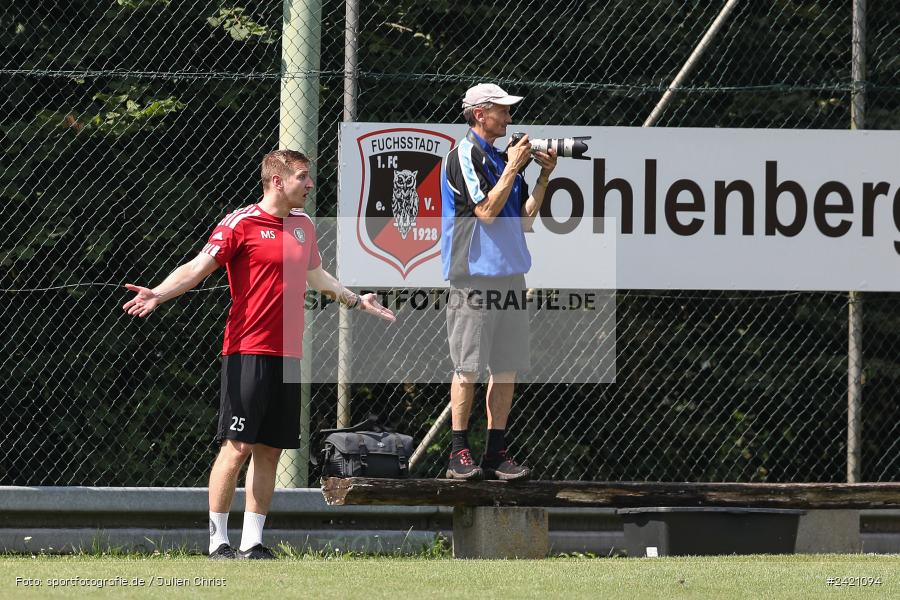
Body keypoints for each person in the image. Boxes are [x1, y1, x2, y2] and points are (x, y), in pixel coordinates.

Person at [122, 150, 395, 559]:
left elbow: (316, 275)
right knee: (238, 445)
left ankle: (253, 542)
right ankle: (218, 541)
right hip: (247, 349)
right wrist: (159, 293)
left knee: (270, 449)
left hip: (289, 354)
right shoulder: (240, 222)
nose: (309, 184)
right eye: (303, 177)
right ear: (277, 181)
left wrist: (357, 300)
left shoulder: (303, 226)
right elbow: (198, 266)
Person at [439, 83, 557, 481]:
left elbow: (523, 218)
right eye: (501, 110)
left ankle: (495, 453)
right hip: (473, 277)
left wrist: (542, 176)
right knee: (467, 368)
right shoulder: (465, 154)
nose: (508, 117)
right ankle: (458, 454)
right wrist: (512, 167)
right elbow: (486, 211)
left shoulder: (501, 157)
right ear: (479, 114)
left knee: (506, 369)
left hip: (511, 276)